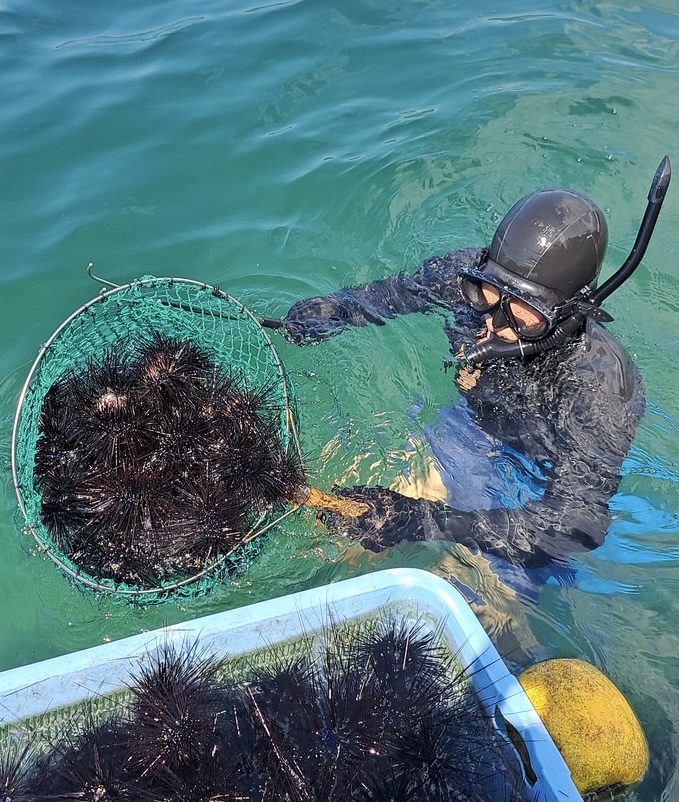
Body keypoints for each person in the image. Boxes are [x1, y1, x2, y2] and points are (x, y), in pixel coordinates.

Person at [263, 158, 670, 592]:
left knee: (486, 601)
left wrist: (428, 522)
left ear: (570, 315)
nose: (494, 323)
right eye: (488, 295)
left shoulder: (602, 388)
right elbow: (394, 294)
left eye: (523, 316)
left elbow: (575, 526)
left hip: (527, 482)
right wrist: (335, 311)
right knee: (347, 531)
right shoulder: (466, 276)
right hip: (465, 427)